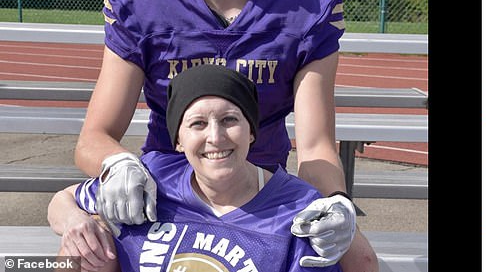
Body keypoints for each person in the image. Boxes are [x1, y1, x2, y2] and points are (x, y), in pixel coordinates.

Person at [71, 0, 377, 271]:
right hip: (165, 186)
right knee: (83, 253)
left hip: (261, 188)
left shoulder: (307, 5)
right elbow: (94, 137)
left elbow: (314, 146)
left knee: (358, 258)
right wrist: (117, 164)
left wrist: (336, 204)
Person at [49, 64, 343, 272]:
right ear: (178, 139)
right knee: (80, 254)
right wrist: (76, 221)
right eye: (198, 124)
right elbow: (61, 201)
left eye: (229, 120)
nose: (215, 137)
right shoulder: (152, 178)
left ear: (251, 131)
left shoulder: (299, 210)